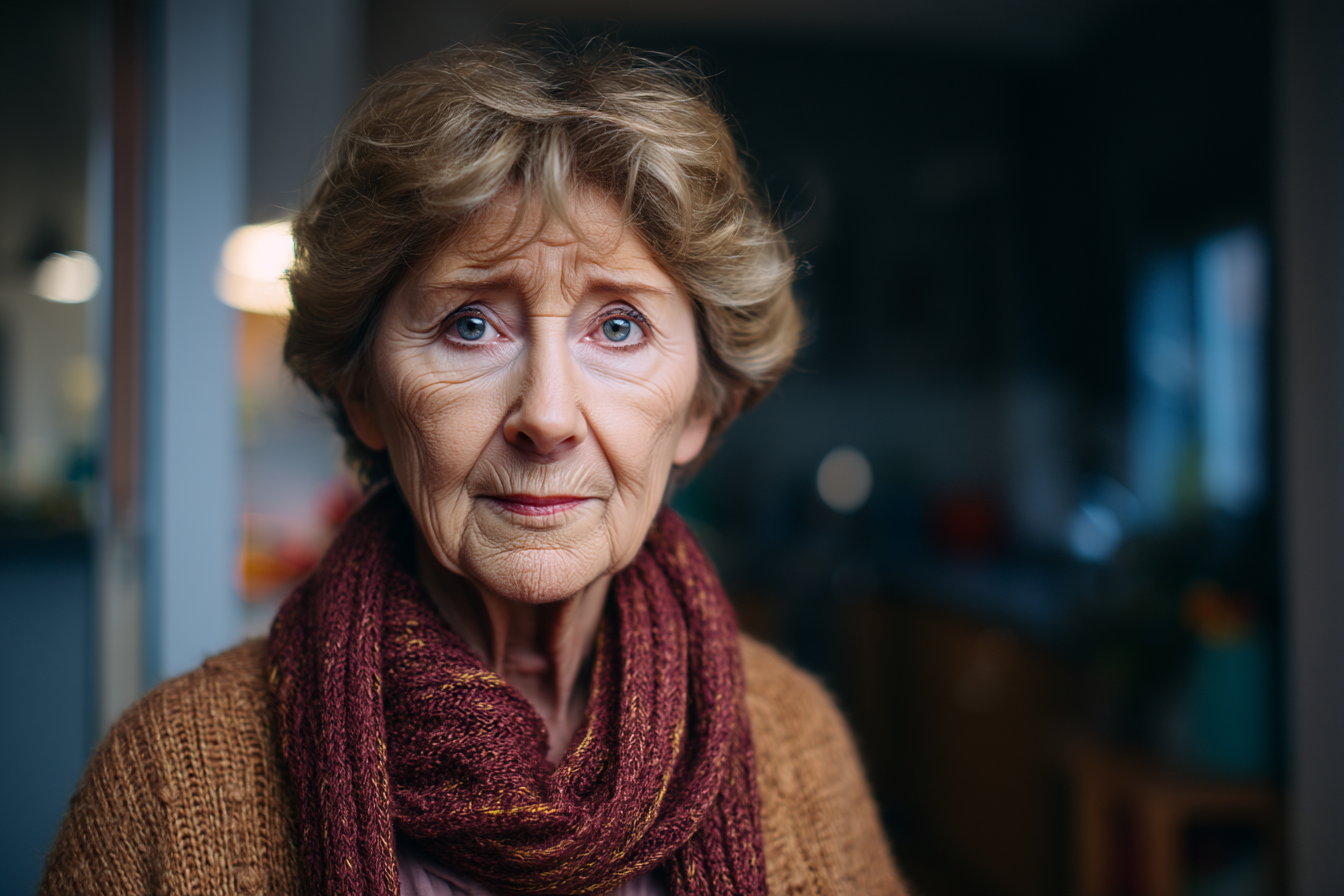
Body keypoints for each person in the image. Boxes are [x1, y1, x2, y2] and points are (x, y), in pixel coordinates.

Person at [39, 39, 906, 896]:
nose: (548, 416)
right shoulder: (166, 778)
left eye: (617, 328)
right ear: (365, 394)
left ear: (701, 407)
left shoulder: (799, 744)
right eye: (469, 325)